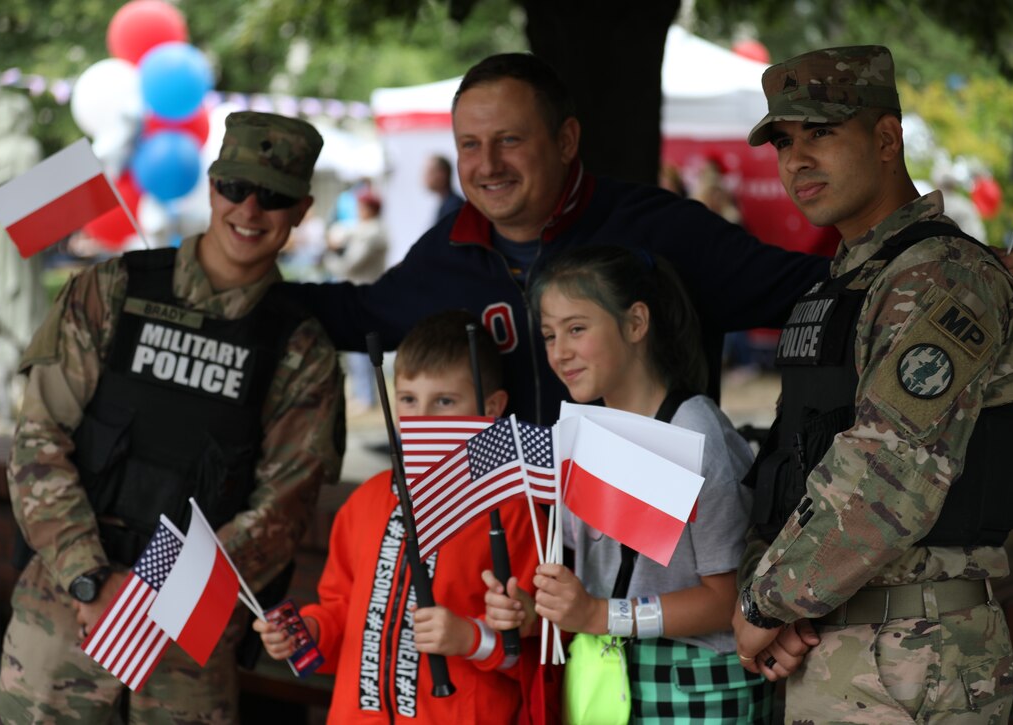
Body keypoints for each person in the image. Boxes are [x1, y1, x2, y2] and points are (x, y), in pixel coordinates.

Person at [0, 111, 346, 723]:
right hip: (64, 614)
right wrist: (91, 580)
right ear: (211, 185)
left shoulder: (299, 348)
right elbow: (39, 444)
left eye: (275, 196)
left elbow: (280, 512)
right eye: (236, 187)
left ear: (302, 210)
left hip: (190, 640)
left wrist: (156, 596)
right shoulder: (112, 289)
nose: (250, 210)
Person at [731, 46, 1013, 724]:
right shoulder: (848, 282)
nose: (797, 159)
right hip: (839, 642)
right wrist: (782, 601)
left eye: (820, 133)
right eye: (784, 140)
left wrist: (765, 603)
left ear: (886, 138)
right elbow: (801, 457)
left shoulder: (942, 276)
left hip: (914, 661)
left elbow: (887, 477)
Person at [284, 52, 836, 425]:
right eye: (470, 145)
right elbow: (358, 315)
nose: (488, 164)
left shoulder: (659, 230)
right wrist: (224, 280)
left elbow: (817, 290)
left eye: (509, 139)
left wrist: (909, 249)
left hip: (646, 564)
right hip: (513, 563)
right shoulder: (447, 249)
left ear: (566, 139)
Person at [485, 246, 772, 722]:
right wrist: (537, 610)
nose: (559, 352)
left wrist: (600, 615)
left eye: (577, 328)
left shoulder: (695, 432)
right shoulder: (584, 433)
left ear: (637, 323)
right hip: (610, 681)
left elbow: (728, 603)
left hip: (697, 686)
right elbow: (594, 591)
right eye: (549, 334)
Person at [254, 309, 542, 722]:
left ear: (491, 407)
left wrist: (471, 637)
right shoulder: (365, 502)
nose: (422, 418)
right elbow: (340, 611)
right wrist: (308, 633)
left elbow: (538, 660)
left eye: (444, 401)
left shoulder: (514, 516)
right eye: (408, 400)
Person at [324, 191, 390, 410]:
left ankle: (367, 397)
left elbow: (349, 265)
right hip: (359, 296)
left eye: (362, 207)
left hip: (364, 296)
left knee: (363, 350)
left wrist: (331, 254)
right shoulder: (366, 230)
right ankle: (364, 394)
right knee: (358, 350)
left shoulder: (372, 233)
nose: (358, 211)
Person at [425, 153, 465, 223]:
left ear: (441, 175)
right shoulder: (445, 204)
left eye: (430, 172)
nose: (425, 177)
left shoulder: (453, 206)